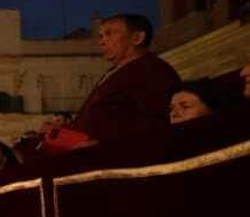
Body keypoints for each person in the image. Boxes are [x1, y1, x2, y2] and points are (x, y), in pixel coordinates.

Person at [44, 14, 178, 151]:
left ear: (137, 38)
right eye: (101, 36)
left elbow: (155, 122)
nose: (102, 42)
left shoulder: (153, 71)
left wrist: (105, 144)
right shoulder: (114, 71)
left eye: (109, 34)